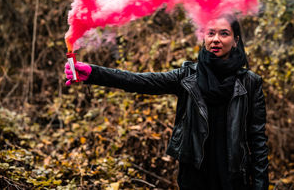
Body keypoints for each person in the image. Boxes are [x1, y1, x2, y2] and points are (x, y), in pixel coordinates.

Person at [65, 14, 269, 190]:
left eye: (224, 34)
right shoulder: (187, 76)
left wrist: (261, 185)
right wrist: (93, 73)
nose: (216, 39)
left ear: (235, 40)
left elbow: (257, 140)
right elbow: (140, 81)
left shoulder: (250, 83)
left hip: (234, 178)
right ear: (203, 37)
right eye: (210, 33)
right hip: (195, 176)